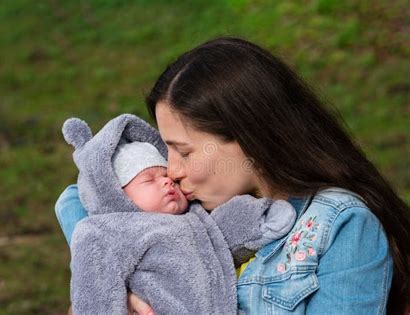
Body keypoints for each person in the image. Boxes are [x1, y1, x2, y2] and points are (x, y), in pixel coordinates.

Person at [56, 37, 409, 314]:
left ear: (247, 137)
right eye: (167, 150)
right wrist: (122, 286)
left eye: (185, 151)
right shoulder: (187, 208)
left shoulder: (339, 227)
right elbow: (82, 198)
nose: (172, 171)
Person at [57, 115, 296, 314]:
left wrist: (259, 218)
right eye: (149, 180)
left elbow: (222, 235)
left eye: (167, 178)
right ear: (118, 196)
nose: (167, 183)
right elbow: (94, 287)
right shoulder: (111, 231)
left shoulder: (195, 214)